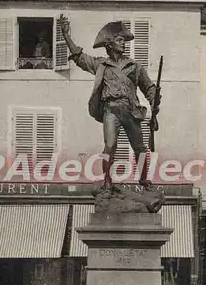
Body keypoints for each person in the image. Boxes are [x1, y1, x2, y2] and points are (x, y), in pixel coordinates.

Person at [59, 14, 161, 189]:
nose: (123, 43)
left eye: (123, 40)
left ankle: (144, 180)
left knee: (140, 148)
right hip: (111, 110)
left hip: (131, 110)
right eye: (120, 40)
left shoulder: (134, 66)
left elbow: (149, 87)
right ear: (110, 44)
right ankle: (107, 180)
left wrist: (154, 100)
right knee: (110, 146)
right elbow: (79, 56)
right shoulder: (101, 65)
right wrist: (66, 35)